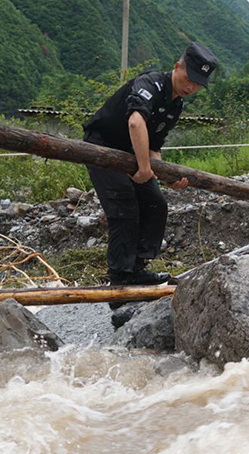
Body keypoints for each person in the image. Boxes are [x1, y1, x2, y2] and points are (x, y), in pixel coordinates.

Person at [82, 42, 213, 289]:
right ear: (177, 67)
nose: (191, 87)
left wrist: (165, 176)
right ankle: (120, 277)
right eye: (189, 79)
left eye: (197, 84)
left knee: (156, 202)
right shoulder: (151, 84)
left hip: (133, 152)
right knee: (123, 203)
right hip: (101, 146)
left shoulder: (176, 105)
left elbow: (153, 146)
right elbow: (135, 123)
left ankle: (137, 267)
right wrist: (144, 169)